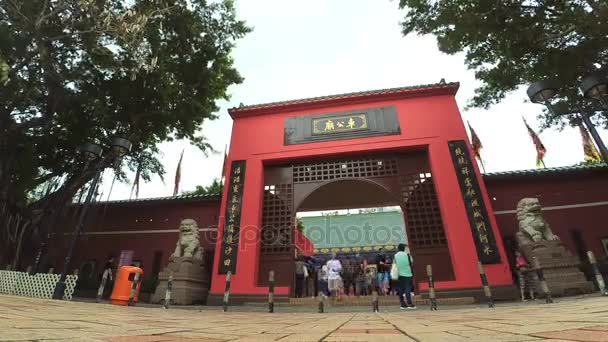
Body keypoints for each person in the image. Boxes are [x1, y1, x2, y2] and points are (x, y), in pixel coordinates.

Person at [394, 243, 416, 309]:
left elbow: (394, 265)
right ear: (404, 248)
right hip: (408, 273)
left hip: (399, 274)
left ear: (398, 249)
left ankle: (402, 304)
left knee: (400, 289)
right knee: (407, 288)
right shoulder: (407, 255)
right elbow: (411, 262)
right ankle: (409, 303)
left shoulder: (396, 255)